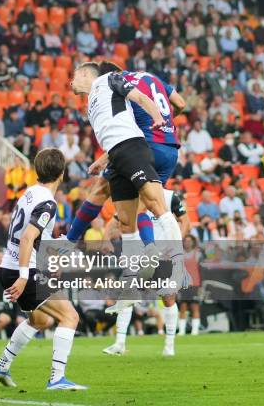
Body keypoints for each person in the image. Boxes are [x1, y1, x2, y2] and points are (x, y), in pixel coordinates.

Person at [68, 62, 187, 311]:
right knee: (131, 215)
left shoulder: (114, 81)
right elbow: (181, 104)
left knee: (116, 196)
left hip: (144, 143)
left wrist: (154, 120)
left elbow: (134, 109)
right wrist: (165, 123)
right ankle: (139, 278)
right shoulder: (153, 78)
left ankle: (171, 264)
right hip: (169, 146)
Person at [0, 148, 87, 390]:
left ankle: (1, 366)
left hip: (9, 267)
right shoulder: (48, 203)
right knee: (69, 316)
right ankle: (56, 379)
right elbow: (27, 238)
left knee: (40, 320)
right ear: (62, 174)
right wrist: (24, 276)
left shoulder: (29, 193)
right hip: (24, 271)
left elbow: (29, 236)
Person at [103, 187, 190, 357]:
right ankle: (119, 343)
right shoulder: (134, 195)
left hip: (164, 255)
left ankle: (169, 346)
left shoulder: (170, 196)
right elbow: (114, 221)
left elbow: (185, 222)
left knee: (168, 298)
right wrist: (106, 239)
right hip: (138, 255)